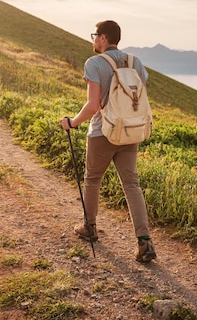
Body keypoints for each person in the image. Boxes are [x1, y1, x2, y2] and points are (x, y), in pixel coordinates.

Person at [59, 20, 156, 263]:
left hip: (103, 133)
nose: (94, 40)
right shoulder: (136, 62)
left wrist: (73, 122)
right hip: (130, 132)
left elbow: (93, 105)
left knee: (92, 179)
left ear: (103, 38)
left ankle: (89, 228)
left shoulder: (94, 63)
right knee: (131, 184)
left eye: (95, 35)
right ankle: (145, 243)